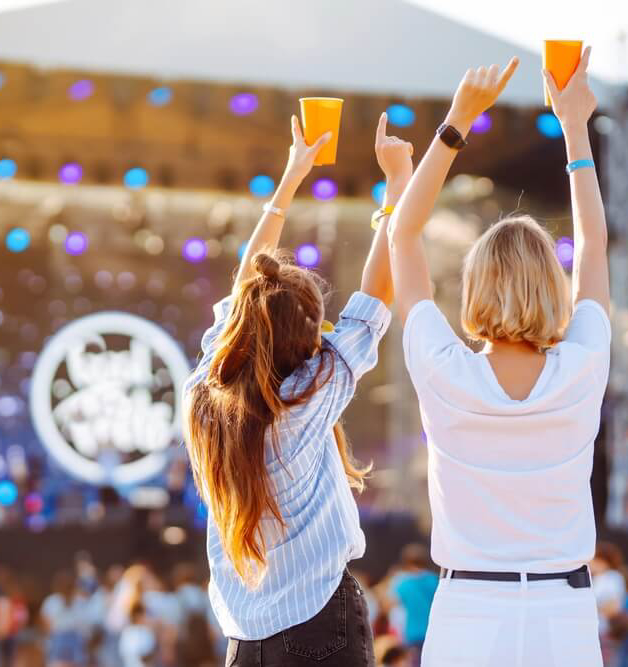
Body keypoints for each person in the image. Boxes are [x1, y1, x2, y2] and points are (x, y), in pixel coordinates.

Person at [388, 50, 607, 665]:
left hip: (468, 614)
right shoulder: (583, 365)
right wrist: (573, 124)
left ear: (475, 285)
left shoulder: (444, 371)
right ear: (551, 286)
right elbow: (592, 244)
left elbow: (403, 236)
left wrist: (458, 121)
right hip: (563, 615)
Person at [184, 109, 412, 666]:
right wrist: (397, 185)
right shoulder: (308, 397)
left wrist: (289, 181)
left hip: (245, 642)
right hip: (319, 630)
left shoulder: (203, 395)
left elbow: (246, 290)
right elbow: (377, 296)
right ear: (305, 334)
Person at [389, 544, 438, 659]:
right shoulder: (434, 580)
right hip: (433, 631)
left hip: (412, 632)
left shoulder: (403, 584)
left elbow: (392, 604)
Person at [40, 570, 90, 667]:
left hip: (67, 638)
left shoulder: (52, 601)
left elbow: (46, 625)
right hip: (64, 638)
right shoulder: (53, 601)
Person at [592, 542, 628, 663]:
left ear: (603, 560)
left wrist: (592, 608)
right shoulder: (597, 578)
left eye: (594, 558)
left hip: (605, 633)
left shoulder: (612, 577)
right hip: (596, 631)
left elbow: (613, 607)